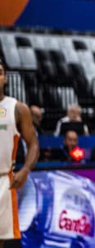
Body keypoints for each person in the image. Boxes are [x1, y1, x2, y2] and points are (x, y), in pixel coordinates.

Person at [0, 60, 40, 248]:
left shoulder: (17, 108)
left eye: (0, 72)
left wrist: (25, 170)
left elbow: (33, 144)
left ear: (5, 79)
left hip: (2, 179)